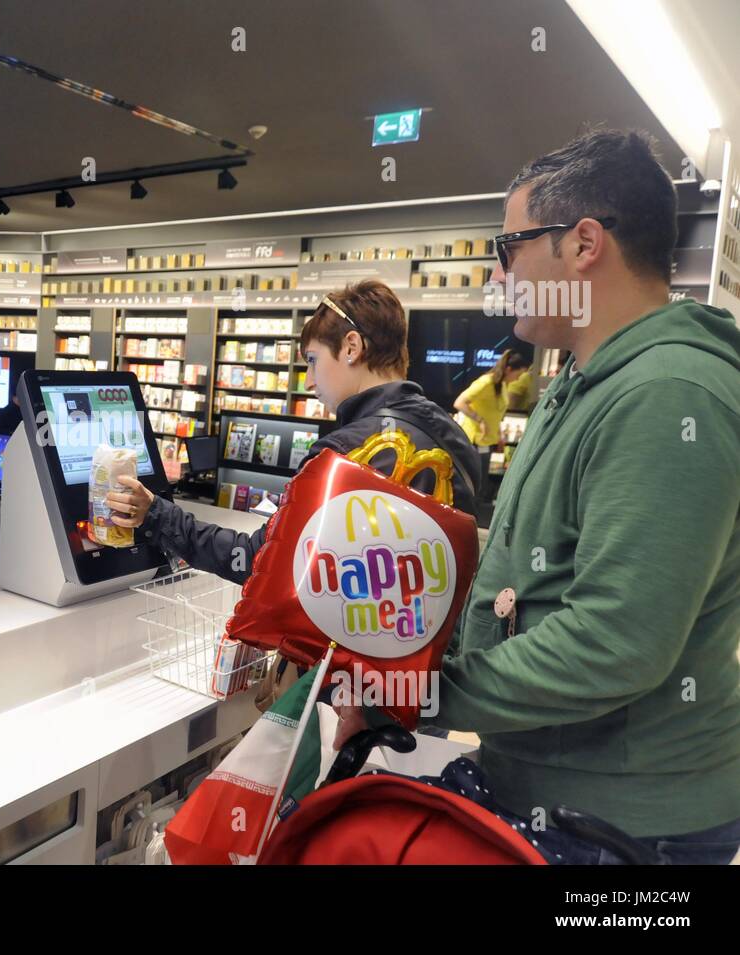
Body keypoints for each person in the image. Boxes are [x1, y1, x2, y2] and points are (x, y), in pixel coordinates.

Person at [338, 129, 740, 864]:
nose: (499, 273)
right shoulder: (583, 384)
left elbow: (616, 642)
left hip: (625, 830)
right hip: (562, 798)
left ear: (584, 243)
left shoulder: (666, 394)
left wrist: (419, 692)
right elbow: (531, 574)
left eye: (510, 246)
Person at [108, 279, 481, 584]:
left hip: (344, 664)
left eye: (313, 360)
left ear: (352, 347)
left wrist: (157, 514)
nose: (308, 381)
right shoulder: (454, 436)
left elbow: (258, 559)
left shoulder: (343, 453)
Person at [453, 347, 532, 513]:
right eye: (518, 374)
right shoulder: (486, 382)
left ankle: (473, 518)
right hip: (473, 440)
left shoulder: (503, 385)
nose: (519, 379)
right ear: (509, 369)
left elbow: (495, 413)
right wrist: (479, 420)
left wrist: (499, 435)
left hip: (487, 442)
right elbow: (459, 402)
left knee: (480, 485)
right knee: (472, 485)